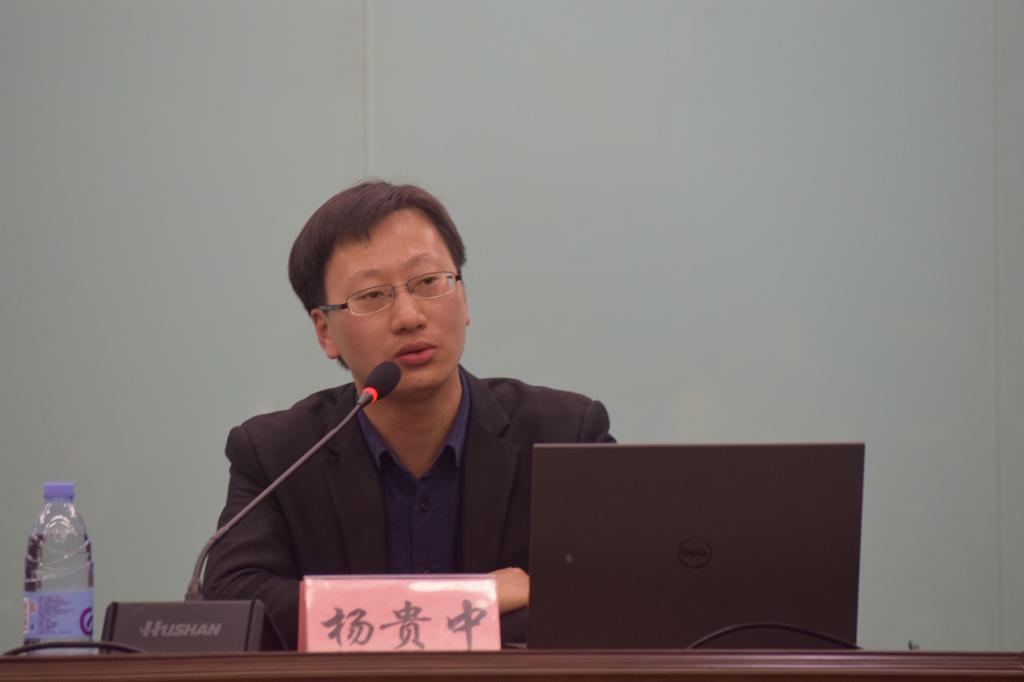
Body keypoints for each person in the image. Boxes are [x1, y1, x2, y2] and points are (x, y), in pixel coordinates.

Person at [202, 180, 614, 648]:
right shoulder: (279, 455)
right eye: (372, 296)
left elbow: (616, 596)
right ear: (325, 331)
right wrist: (466, 601)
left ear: (464, 297)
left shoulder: (565, 433)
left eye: (428, 282)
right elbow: (235, 605)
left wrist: (370, 619)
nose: (409, 316)